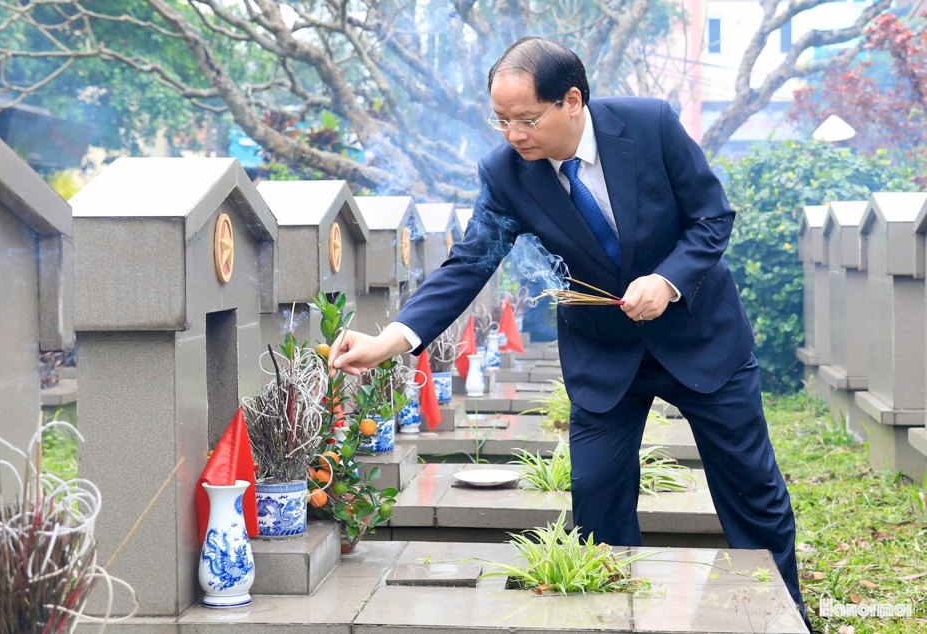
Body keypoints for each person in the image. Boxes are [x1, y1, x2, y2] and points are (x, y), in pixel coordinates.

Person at [329, 36, 808, 623]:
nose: (513, 134)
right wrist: (391, 340)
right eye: (501, 120)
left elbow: (712, 218)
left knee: (751, 493)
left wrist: (667, 281)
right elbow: (470, 263)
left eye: (527, 119)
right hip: (606, 358)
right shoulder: (506, 174)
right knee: (598, 506)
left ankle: (784, 616)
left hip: (700, 337)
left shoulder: (650, 125)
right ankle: (613, 619)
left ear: (572, 101)